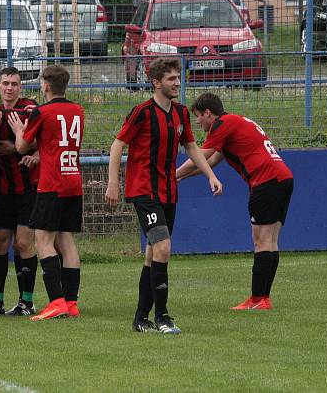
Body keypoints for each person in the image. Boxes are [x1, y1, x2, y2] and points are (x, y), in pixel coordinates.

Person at [105, 58, 223, 334]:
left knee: (152, 254)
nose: (177, 83)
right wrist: (113, 182)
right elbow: (117, 145)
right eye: (171, 79)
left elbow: (193, 148)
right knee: (163, 248)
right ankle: (163, 317)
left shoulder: (181, 113)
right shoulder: (142, 112)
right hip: (143, 190)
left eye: (178, 78)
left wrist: (211, 175)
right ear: (156, 83)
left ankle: (140, 318)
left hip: (168, 190)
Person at [176, 92, 294, 311]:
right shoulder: (235, 122)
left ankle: (258, 299)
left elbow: (201, 156)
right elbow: (210, 161)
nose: (198, 122)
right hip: (282, 178)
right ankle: (262, 298)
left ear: (208, 113)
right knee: (270, 240)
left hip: (266, 180)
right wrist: (180, 177)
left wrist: (172, 175)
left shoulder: (223, 123)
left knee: (261, 240)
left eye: (198, 117)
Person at [8, 64, 84, 321]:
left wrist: (20, 129)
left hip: (51, 183)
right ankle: (72, 302)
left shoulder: (42, 112)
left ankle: (56, 301)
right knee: (67, 241)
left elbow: (21, 147)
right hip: (74, 178)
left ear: (47, 86)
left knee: (43, 241)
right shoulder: (78, 110)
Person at [0, 102, 40, 317]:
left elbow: (44, 143)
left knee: (22, 243)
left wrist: (18, 144)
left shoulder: (19, 118)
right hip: (2, 193)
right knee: (0, 240)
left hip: (27, 190)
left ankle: (27, 302)